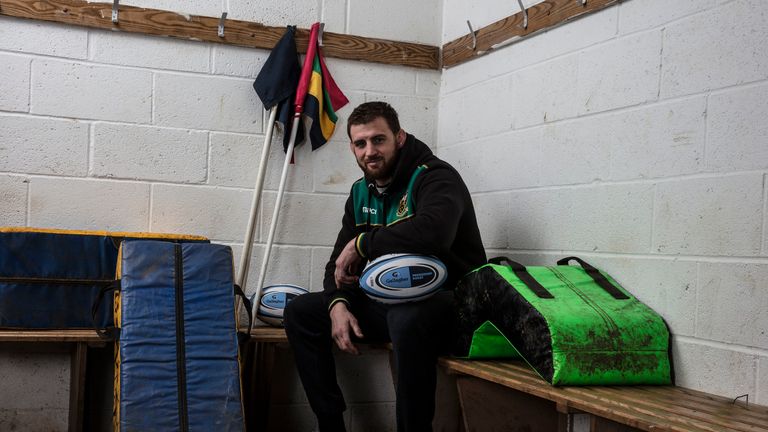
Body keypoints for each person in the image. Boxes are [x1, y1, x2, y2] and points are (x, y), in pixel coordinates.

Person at [284, 101, 486, 432]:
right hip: (392, 304)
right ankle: (331, 425)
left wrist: (365, 243)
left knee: (407, 318)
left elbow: (434, 233)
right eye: (360, 143)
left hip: (453, 304)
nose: (369, 151)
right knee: (301, 312)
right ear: (352, 147)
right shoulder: (360, 192)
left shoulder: (435, 176)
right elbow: (340, 262)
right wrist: (337, 303)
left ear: (400, 137)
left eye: (379, 140)